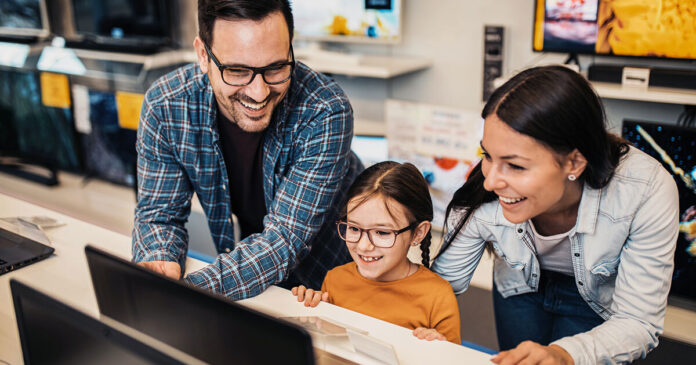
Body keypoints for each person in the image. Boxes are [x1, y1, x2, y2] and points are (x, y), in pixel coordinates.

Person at [432, 65, 679, 364]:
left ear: (574, 163)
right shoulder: (481, 196)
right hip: (519, 285)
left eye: (516, 165)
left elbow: (637, 322)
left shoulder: (645, 189)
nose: (490, 182)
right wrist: (424, 325)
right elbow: (438, 288)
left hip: (598, 301)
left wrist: (564, 355)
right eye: (487, 155)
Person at [132, 0, 363, 299]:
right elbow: (158, 215)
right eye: (237, 71)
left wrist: (189, 294)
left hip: (337, 280)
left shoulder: (325, 111)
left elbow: (284, 240)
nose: (259, 92)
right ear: (203, 55)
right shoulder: (167, 106)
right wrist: (159, 261)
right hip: (254, 276)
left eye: (277, 67)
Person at [292, 161, 462, 344]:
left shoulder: (437, 297)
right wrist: (310, 308)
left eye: (382, 232)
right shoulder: (335, 280)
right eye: (354, 228)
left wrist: (438, 350)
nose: (364, 246)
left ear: (418, 233)